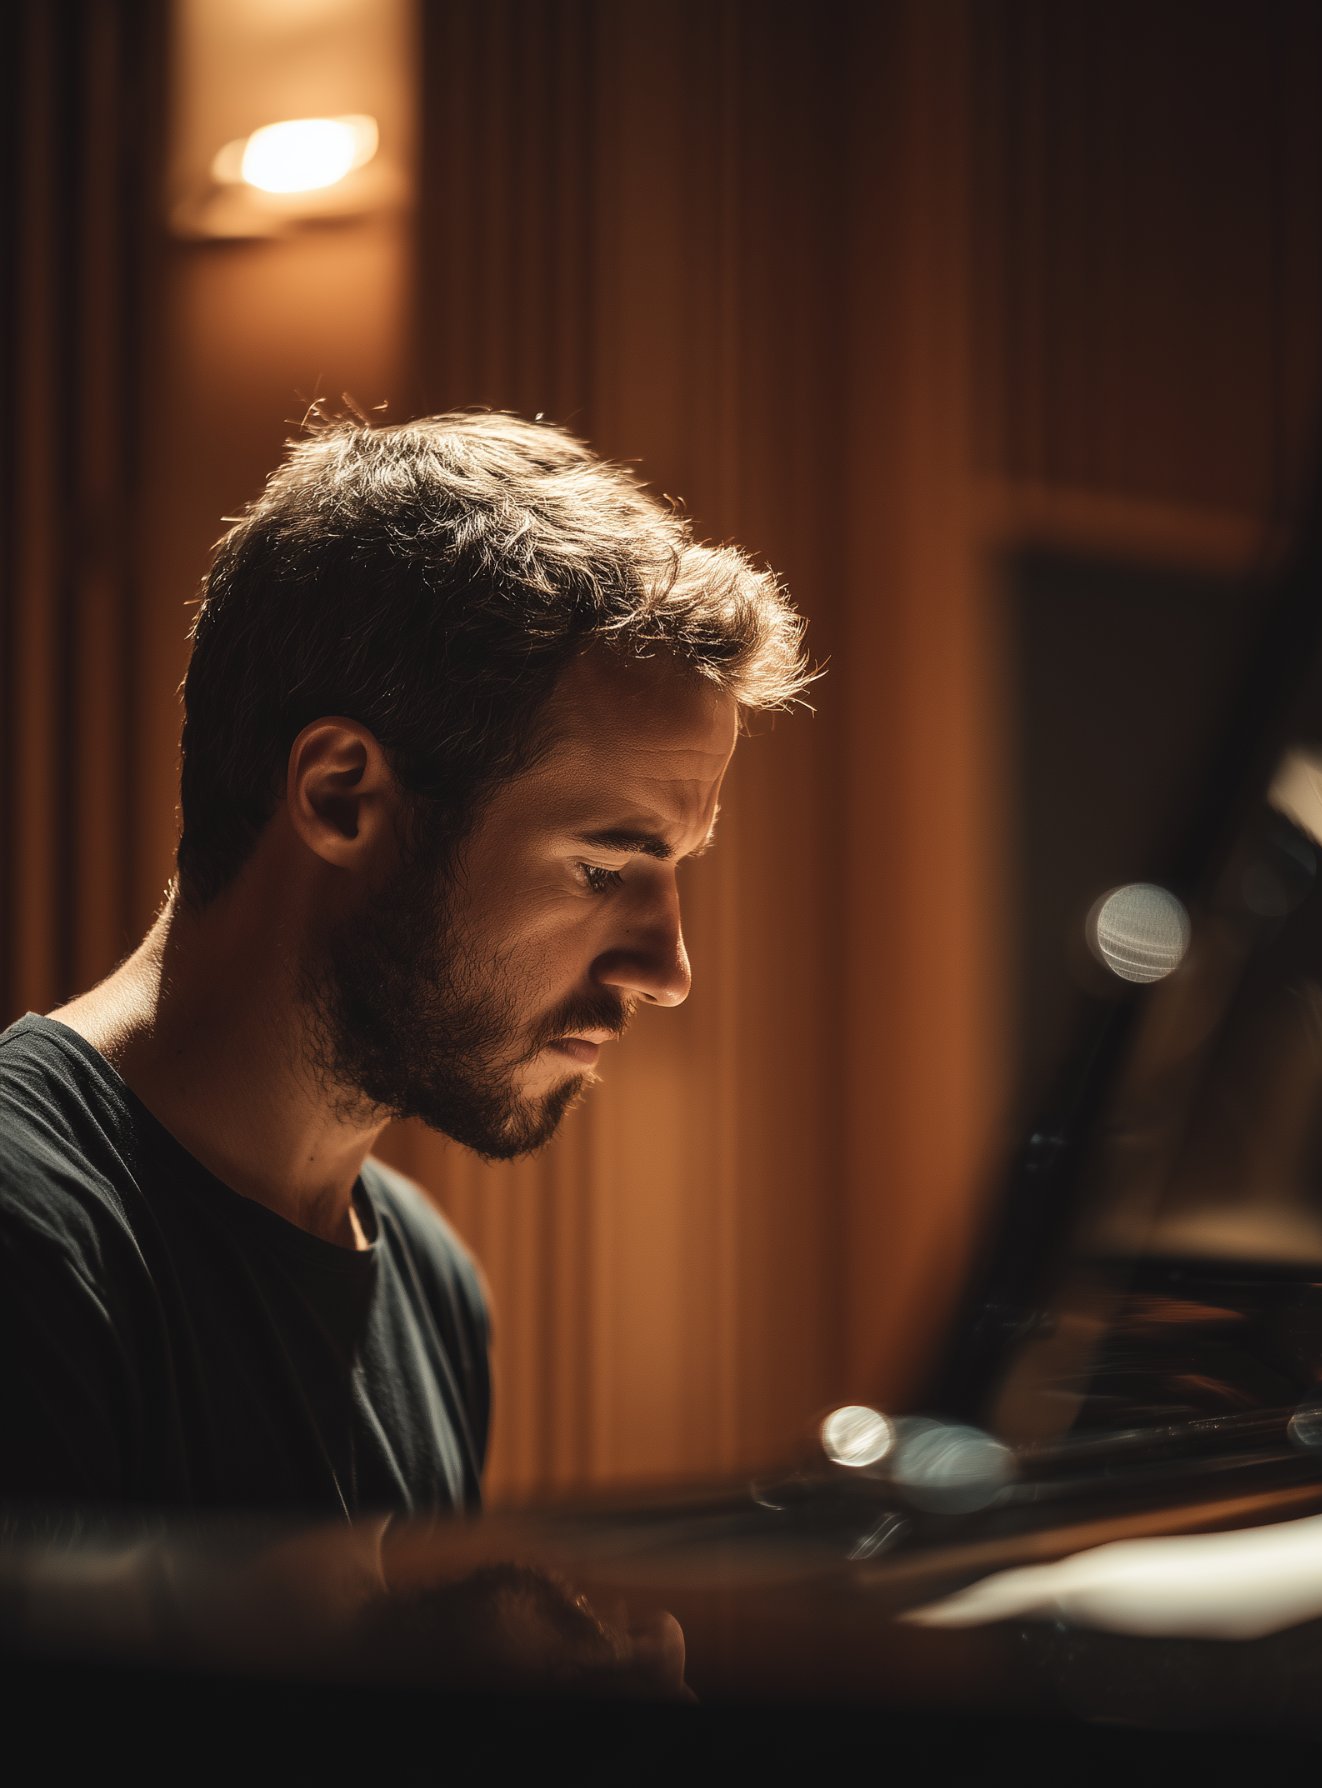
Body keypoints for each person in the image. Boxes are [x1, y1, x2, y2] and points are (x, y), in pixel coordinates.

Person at [0, 411, 810, 1524]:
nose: (668, 968)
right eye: (597, 868)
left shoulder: (433, 1282)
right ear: (342, 794)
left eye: (674, 870)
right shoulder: (27, 1231)